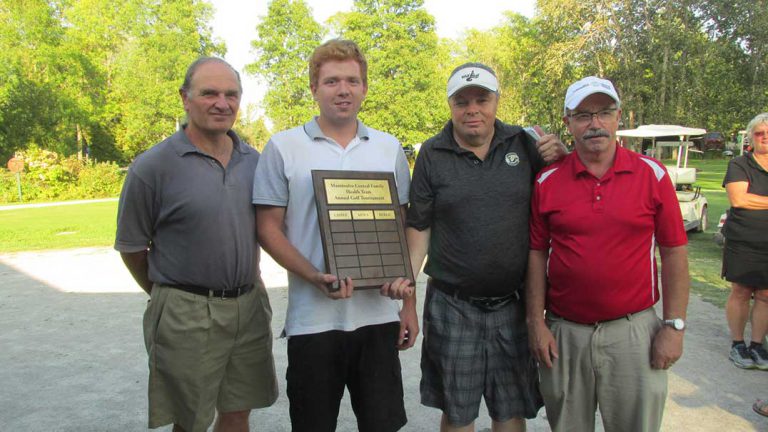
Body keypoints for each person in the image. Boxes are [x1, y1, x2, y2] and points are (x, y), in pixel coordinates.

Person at [386, 62, 565, 432]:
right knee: (457, 410)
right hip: (453, 304)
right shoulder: (432, 154)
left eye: (481, 99)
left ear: (497, 100)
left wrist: (562, 159)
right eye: (461, 101)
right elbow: (419, 227)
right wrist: (407, 299)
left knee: (510, 410)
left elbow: (561, 201)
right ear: (450, 104)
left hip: (512, 304)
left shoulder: (525, 144)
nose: (472, 109)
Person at [252, 39, 416, 432]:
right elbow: (267, 228)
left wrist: (408, 303)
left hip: (377, 317)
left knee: (382, 425)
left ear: (364, 87)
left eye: (352, 80)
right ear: (314, 88)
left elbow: (402, 229)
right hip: (313, 321)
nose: (343, 90)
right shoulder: (284, 147)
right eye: (331, 81)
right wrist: (313, 276)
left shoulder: (388, 147)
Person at [115, 57, 278, 432]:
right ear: (185, 98)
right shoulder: (153, 166)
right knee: (190, 419)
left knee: (239, 409)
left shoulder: (255, 162)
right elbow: (131, 247)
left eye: (231, 94)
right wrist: (169, 295)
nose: (222, 103)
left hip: (249, 305)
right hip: (185, 310)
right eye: (209, 93)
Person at [526, 76, 690, 432]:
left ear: (619, 117)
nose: (595, 123)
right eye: (583, 115)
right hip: (565, 334)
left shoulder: (652, 174)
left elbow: (674, 252)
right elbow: (536, 255)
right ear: (568, 123)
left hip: (633, 334)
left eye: (604, 112)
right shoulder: (547, 181)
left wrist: (674, 326)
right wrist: (536, 323)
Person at [722, 112, 768, 370]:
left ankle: (757, 345)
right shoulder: (740, 164)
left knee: (765, 295)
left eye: (767, 134)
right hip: (744, 239)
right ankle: (738, 343)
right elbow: (739, 199)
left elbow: (751, 198)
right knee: (741, 290)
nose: (764, 138)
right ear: (751, 137)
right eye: (759, 134)